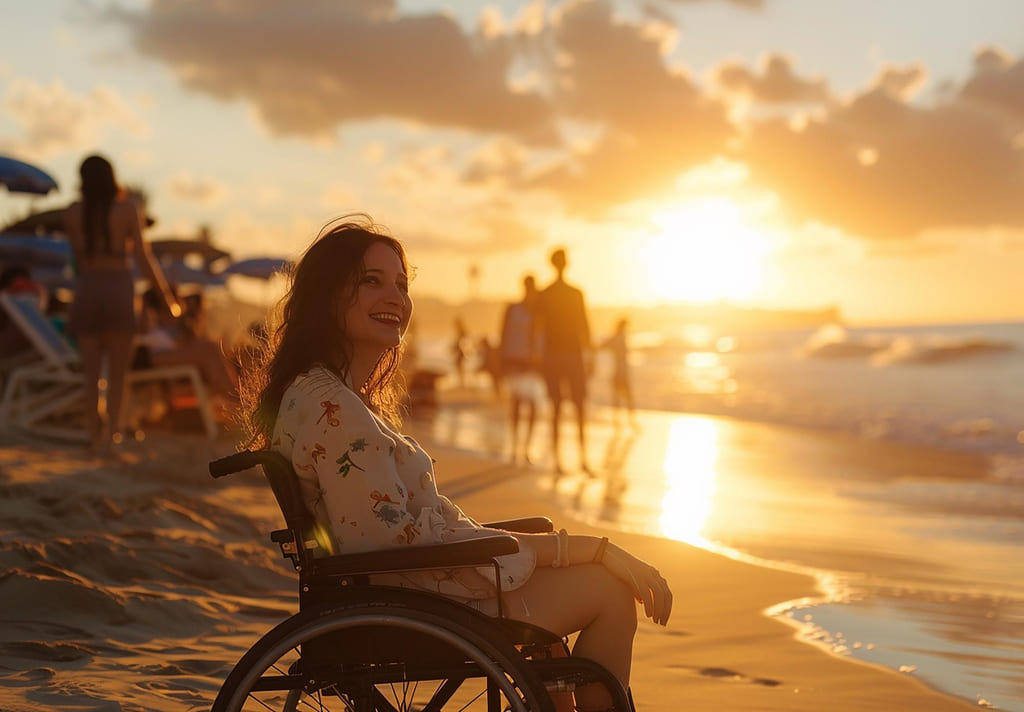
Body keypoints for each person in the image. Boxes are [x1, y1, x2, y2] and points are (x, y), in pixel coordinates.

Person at [238, 217, 672, 712]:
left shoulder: (319, 394)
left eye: (401, 284)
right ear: (327, 295)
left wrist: (563, 550)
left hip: (405, 590)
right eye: (371, 281)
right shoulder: (337, 413)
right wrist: (589, 550)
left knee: (585, 585)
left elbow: (395, 536)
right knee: (610, 595)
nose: (395, 297)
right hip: (413, 603)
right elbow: (393, 546)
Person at [63, 154, 180, 453]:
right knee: (118, 373)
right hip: (117, 286)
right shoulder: (127, 208)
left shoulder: (74, 212)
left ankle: (93, 434)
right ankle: (112, 435)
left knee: (91, 375)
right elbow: (143, 257)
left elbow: (77, 259)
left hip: (88, 286)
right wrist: (165, 299)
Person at [536, 247, 593, 475]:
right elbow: (584, 326)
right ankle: (577, 460)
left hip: (556, 355)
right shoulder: (573, 293)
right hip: (568, 355)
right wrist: (590, 356)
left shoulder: (547, 293)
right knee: (574, 407)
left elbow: (537, 328)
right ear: (564, 264)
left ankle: (565, 460)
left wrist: (538, 356)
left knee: (559, 408)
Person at [499, 274, 544, 465]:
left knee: (532, 407)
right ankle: (515, 446)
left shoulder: (538, 313)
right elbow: (503, 334)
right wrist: (501, 361)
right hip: (514, 361)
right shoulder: (513, 309)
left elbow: (541, 340)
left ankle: (526, 447)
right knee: (516, 406)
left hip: (532, 365)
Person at [602, 318, 637, 428]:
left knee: (618, 397)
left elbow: (603, 345)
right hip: (621, 372)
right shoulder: (620, 338)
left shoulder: (616, 337)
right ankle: (629, 422)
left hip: (618, 371)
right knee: (627, 397)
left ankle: (618, 421)